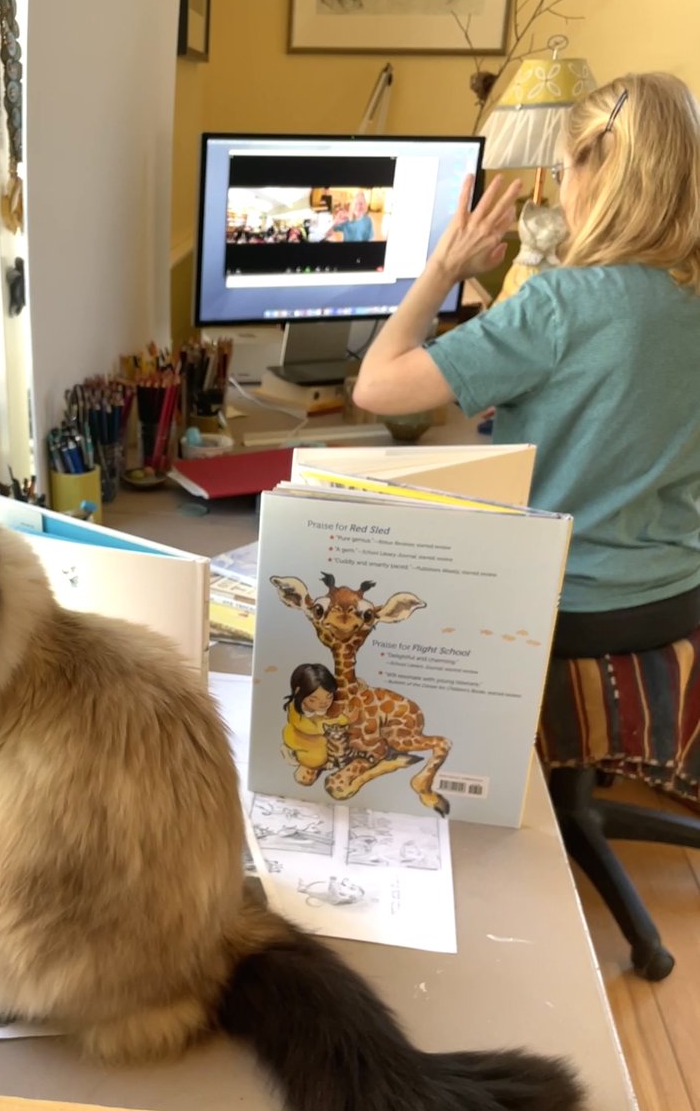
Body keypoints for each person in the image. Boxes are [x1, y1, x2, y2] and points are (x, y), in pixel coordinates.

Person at [352, 72, 700, 658]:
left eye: (563, 173)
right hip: (675, 596)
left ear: (597, 174)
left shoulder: (559, 305)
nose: (562, 193)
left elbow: (376, 387)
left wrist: (443, 268)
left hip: (566, 608)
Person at [281, 662, 347, 783]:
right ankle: (305, 762)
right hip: (302, 739)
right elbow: (306, 727)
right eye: (313, 699)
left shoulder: (328, 709)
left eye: (329, 697)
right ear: (298, 692)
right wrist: (326, 724)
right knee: (316, 757)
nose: (324, 703)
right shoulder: (295, 709)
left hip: (320, 738)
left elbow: (340, 718)